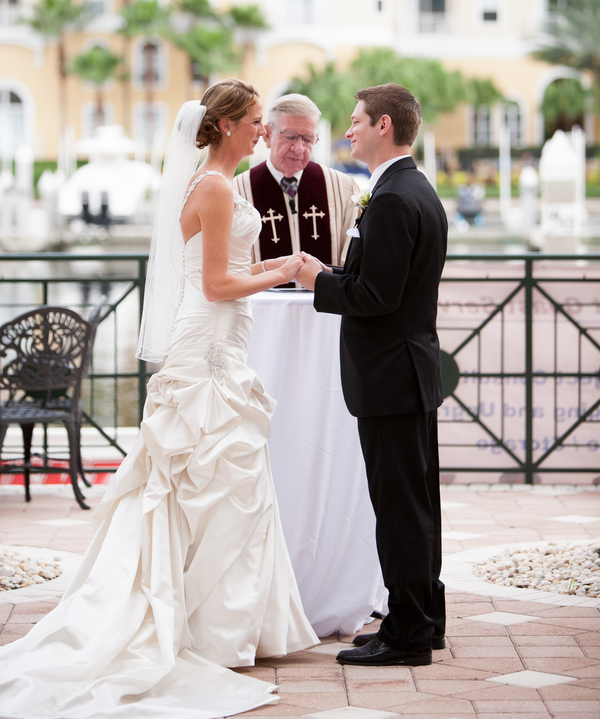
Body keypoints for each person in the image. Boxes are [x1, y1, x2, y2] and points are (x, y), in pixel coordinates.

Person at [0, 79, 319, 719]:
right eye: (257, 120)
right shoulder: (213, 187)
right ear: (226, 125)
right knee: (222, 476)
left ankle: (228, 624)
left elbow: (223, 278)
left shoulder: (215, 183)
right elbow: (217, 284)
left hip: (218, 340)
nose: (263, 130)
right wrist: (285, 269)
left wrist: (269, 273)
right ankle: (209, 631)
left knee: (224, 479)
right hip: (207, 347)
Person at [297, 83, 448, 667]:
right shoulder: (413, 189)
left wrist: (318, 280)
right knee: (417, 503)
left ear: (384, 125)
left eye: (356, 121)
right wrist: (338, 274)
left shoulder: (389, 199)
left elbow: (375, 295)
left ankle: (407, 635)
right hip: (408, 373)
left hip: (389, 377)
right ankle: (423, 618)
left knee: (400, 507)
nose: (348, 130)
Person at [234, 93, 360, 270]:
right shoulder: (238, 191)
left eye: (307, 139)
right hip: (261, 298)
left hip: (323, 298)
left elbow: (351, 263)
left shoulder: (343, 189)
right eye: (290, 136)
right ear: (267, 135)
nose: (299, 148)